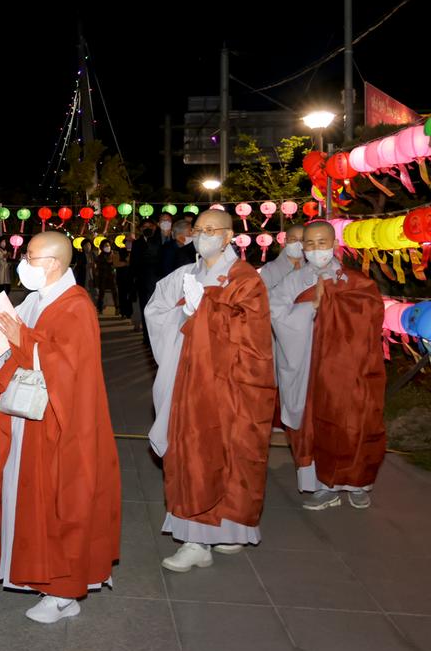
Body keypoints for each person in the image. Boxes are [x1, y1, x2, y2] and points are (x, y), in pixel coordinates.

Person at [0, 231, 120, 623]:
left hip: (59, 424)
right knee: (31, 499)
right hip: (29, 418)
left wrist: (24, 340)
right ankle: (38, 576)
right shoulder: (36, 299)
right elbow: (20, 351)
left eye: (30, 257)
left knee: (60, 504)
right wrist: (6, 341)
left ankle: (64, 592)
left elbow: (69, 367)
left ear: (53, 263)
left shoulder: (76, 306)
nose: (23, 262)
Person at [144, 209, 275, 573]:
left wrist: (206, 310)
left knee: (230, 453)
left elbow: (254, 335)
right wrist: (183, 311)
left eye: (212, 229)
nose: (204, 235)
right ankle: (196, 538)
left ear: (230, 235)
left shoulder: (245, 279)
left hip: (229, 382)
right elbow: (157, 309)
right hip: (191, 377)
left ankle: (226, 528)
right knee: (195, 453)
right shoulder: (185, 274)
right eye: (199, 230)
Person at [269, 220, 386, 510]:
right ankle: (322, 486)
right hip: (307, 366)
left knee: (353, 421)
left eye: (322, 243)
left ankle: (357, 482)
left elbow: (372, 316)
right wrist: (313, 306)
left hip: (346, 369)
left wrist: (338, 304)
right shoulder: (293, 281)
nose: (316, 249)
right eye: (309, 244)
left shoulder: (355, 281)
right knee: (311, 425)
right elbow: (274, 312)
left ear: (334, 245)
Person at [132, 219, 164, 342]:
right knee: (145, 308)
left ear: (155, 227)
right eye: (144, 226)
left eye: (150, 226)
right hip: (142, 281)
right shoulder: (137, 244)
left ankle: (159, 335)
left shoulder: (160, 241)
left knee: (158, 308)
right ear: (140, 229)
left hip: (158, 280)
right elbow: (133, 263)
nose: (148, 228)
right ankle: (147, 336)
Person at [259, 223, 305, 293]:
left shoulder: (312, 268)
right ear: (285, 241)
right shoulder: (269, 270)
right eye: (293, 239)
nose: (298, 243)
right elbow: (262, 298)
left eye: (302, 240)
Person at [114, 240, 134, 319]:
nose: (129, 244)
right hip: (121, 277)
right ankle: (123, 312)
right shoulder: (119, 251)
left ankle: (129, 313)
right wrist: (127, 263)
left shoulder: (135, 251)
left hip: (131, 277)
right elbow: (116, 263)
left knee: (130, 296)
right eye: (127, 242)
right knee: (122, 295)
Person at [95, 239, 116, 314]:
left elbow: (115, 264)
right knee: (102, 293)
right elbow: (99, 266)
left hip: (111, 276)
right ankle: (100, 308)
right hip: (103, 277)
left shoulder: (114, 255)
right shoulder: (100, 257)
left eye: (108, 245)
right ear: (102, 247)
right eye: (105, 246)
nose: (107, 247)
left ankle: (117, 308)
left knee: (115, 292)